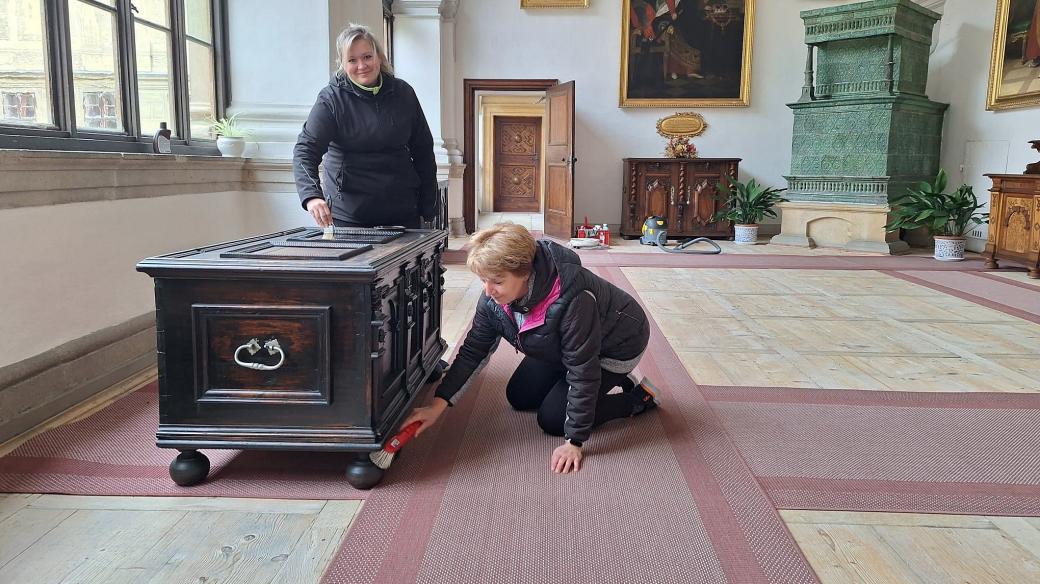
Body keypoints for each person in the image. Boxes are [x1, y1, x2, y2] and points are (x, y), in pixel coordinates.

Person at [402, 223, 658, 474]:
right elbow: (473, 351)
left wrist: (574, 442)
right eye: (483, 280)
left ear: (525, 272)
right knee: (520, 396)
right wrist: (437, 405)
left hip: (615, 346)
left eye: (497, 282)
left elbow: (582, 370)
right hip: (561, 346)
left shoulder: (573, 300)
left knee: (554, 419)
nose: (488, 290)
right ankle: (583, 382)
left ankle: (637, 399)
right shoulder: (492, 299)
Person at [293, 24, 437, 229]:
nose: (362, 65)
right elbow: (305, 150)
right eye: (352, 60)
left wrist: (428, 205)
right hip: (350, 216)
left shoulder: (403, 93)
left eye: (367, 56)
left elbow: (423, 150)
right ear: (342, 63)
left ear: (379, 56)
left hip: (403, 212)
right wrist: (311, 196)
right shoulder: (331, 100)